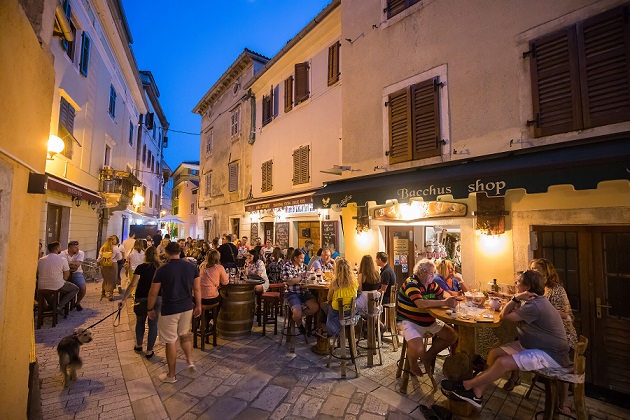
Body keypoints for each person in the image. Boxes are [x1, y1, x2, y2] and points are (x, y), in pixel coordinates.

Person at [441, 270, 570, 409]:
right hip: (533, 344)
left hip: (550, 353)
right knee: (494, 353)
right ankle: (477, 392)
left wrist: (515, 298)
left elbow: (504, 316)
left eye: (519, 282)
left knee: (502, 362)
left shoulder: (534, 306)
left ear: (526, 288)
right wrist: (516, 298)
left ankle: (467, 386)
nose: (516, 283)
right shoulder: (536, 300)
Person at [148, 242, 201, 383]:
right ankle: (190, 360)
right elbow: (197, 289)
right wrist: (199, 306)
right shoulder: (191, 267)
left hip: (170, 308)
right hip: (187, 306)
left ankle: (171, 375)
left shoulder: (162, 270)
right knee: (184, 335)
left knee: (170, 341)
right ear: (180, 252)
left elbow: (153, 292)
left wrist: (150, 308)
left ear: (166, 253)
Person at [397, 259, 458, 384]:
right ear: (421, 272)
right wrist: (445, 302)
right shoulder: (411, 283)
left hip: (428, 320)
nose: (433, 275)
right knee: (418, 348)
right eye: (430, 273)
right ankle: (413, 363)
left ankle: (428, 356)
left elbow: (443, 294)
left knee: (452, 335)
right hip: (409, 321)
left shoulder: (431, 284)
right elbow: (420, 303)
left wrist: (449, 298)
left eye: (433, 272)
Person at [120, 246, 162, 359]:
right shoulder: (160, 268)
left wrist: (124, 299)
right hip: (157, 298)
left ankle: (139, 345)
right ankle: (149, 350)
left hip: (142, 297)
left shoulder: (141, 267)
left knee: (140, 322)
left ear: (145, 255)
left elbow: (133, 284)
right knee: (153, 324)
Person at [282, 248, 319, 335]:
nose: (303, 260)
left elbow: (302, 280)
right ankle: (298, 322)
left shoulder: (301, 266)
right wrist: (302, 276)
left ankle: (295, 317)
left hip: (303, 291)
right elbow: (290, 282)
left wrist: (309, 276)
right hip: (292, 292)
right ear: (295, 258)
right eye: (301, 258)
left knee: (315, 307)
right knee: (297, 313)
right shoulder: (287, 266)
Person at [37, 241, 79, 314]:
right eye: (59, 247)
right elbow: (67, 274)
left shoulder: (41, 260)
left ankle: (52, 306)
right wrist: (62, 281)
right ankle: (59, 306)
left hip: (41, 285)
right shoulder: (62, 259)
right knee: (75, 289)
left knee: (47, 290)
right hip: (56, 284)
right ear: (57, 248)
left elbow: (38, 272)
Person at [324, 258, 359, 336]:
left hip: (337, 311)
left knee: (324, 305)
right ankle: (343, 330)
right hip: (351, 311)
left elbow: (329, 298)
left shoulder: (335, 282)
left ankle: (329, 330)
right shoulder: (354, 281)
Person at [61, 240, 86, 311]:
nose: (77, 249)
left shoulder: (80, 253)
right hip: (64, 272)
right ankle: (62, 303)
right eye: (75, 247)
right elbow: (62, 264)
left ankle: (77, 302)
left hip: (77, 272)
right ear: (69, 248)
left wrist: (67, 263)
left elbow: (78, 264)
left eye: (77, 247)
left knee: (83, 287)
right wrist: (72, 264)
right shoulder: (63, 254)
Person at [99, 236, 117, 301]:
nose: (115, 241)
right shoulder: (115, 248)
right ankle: (111, 294)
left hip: (104, 264)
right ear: (112, 241)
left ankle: (103, 293)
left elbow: (99, 257)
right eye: (114, 240)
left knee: (105, 279)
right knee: (112, 279)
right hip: (113, 264)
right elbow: (119, 257)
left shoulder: (102, 248)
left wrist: (98, 263)